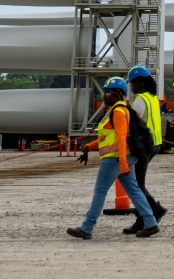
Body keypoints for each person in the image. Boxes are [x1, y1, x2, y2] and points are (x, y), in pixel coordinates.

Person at [67, 77, 159, 240]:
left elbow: (122, 137)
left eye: (106, 92)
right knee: (134, 190)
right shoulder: (117, 110)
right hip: (121, 158)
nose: (103, 96)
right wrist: (90, 146)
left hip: (114, 159)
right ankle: (151, 223)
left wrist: (123, 163)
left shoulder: (118, 111)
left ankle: (87, 227)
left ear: (116, 94)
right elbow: (109, 138)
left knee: (100, 191)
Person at [122, 65, 169, 234]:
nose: (131, 86)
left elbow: (131, 123)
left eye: (133, 83)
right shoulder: (153, 98)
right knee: (137, 183)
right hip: (154, 144)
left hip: (143, 146)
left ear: (141, 83)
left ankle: (147, 216)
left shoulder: (141, 100)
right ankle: (152, 211)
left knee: (136, 185)